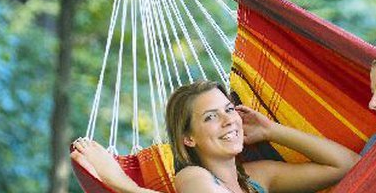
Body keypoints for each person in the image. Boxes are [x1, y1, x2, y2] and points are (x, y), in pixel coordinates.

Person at [71, 79, 359, 193]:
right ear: (189, 139)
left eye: (228, 109)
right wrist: (120, 183)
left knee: (373, 147)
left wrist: (273, 131)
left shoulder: (260, 177)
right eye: (210, 117)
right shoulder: (194, 177)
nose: (227, 121)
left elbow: (348, 166)